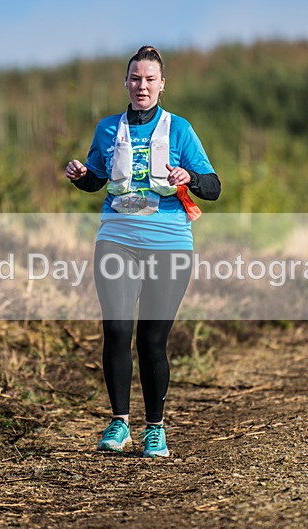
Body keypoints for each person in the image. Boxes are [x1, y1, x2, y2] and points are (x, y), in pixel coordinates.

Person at [65, 45, 221, 458]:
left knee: (152, 340)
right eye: (136, 78)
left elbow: (214, 186)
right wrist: (81, 176)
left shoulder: (180, 130)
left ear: (162, 85)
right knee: (116, 329)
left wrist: (189, 175)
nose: (142, 86)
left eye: (150, 79)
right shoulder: (107, 128)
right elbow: (96, 179)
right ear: (126, 82)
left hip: (169, 244)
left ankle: (155, 428)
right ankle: (119, 423)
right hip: (116, 237)